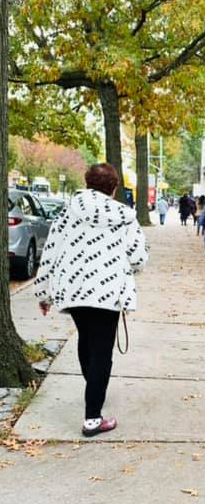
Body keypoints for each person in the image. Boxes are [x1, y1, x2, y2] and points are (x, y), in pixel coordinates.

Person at [34, 163, 148, 437]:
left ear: (87, 184)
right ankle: (93, 418)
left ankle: (93, 390)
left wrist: (43, 292)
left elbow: (50, 251)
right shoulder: (124, 216)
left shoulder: (68, 211)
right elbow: (138, 258)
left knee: (86, 340)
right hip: (108, 292)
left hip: (73, 290)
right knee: (101, 351)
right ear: (114, 188)